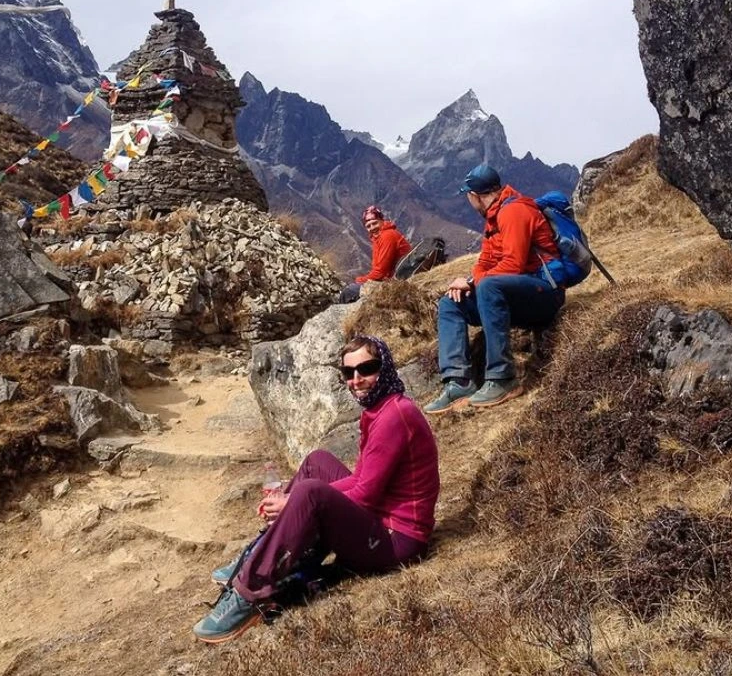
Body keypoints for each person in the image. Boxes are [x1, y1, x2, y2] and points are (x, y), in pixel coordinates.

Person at [192, 335, 440, 644]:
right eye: (348, 373)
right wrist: (293, 502)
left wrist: (296, 502)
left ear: (385, 367)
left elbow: (365, 495)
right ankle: (268, 549)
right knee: (317, 462)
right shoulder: (378, 408)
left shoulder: (394, 416)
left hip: (396, 541)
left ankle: (248, 593)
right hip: (380, 522)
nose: (356, 380)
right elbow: (361, 478)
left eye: (367, 368)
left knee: (310, 492)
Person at [424, 164, 565, 413]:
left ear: (474, 196)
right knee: (450, 303)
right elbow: (485, 263)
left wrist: (471, 282)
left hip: (546, 293)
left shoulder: (514, 212)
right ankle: (459, 381)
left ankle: (503, 378)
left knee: (487, 285)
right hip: (514, 295)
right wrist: (470, 283)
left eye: (468, 197)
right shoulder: (494, 218)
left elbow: (513, 264)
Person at [335, 206, 412, 303]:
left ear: (382, 220)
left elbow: (380, 272)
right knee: (352, 289)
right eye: (368, 226)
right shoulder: (379, 237)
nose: (372, 228)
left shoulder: (387, 236)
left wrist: (360, 280)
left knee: (348, 292)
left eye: (375, 223)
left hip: (395, 281)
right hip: (393, 278)